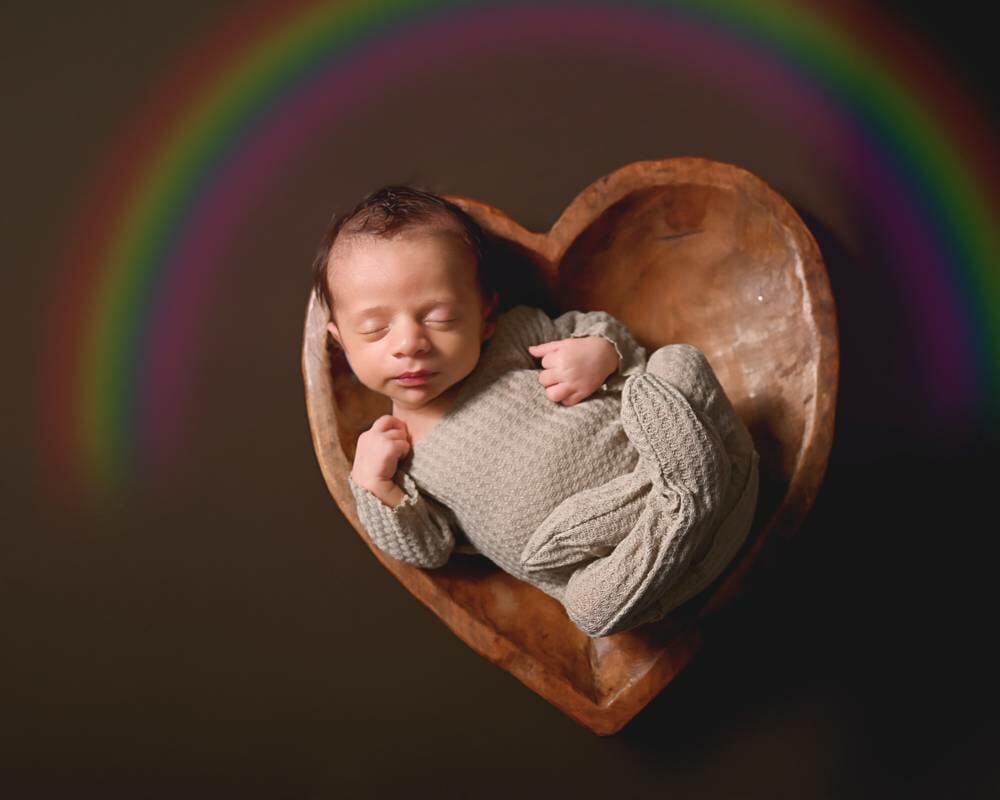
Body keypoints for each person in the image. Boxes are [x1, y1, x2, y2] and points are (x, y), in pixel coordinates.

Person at [311, 185, 759, 638]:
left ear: (486, 315)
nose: (409, 343)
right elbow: (428, 548)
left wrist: (600, 352)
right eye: (374, 329)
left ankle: (690, 487)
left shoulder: (512, 337)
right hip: (636, 573)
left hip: (691, 486)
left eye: (441, 317)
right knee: (588, 609)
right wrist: (374, 486)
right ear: (340, 339)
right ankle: (690, 498)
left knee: (676, 363)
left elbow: (606, 337)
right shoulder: (397, 453)